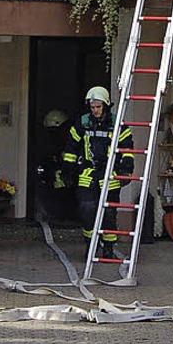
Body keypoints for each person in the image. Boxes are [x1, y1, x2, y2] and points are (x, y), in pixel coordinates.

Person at [63, 86, 134, 259]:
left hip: (110, 175)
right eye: (92, 107)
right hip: (88, 174)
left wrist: (126, 170)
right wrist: (68, 171)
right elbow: (71, 147)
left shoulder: (117, 124)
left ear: (106, 105)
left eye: (98, 107)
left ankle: (108, 248)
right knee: (87, 210)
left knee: (109, 214)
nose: (94, 110)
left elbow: (127, 149)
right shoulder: (83, 122)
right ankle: (90, 245)